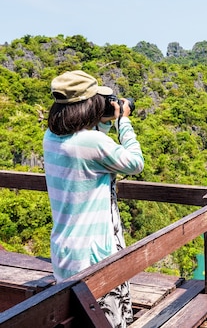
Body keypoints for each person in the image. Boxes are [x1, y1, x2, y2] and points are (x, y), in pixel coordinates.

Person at [43, 70, 144, 327]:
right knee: (106, 321)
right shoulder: (93, 142)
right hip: (94, 256)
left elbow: (89, 146)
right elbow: (135, 163)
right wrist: (123, 121)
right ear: (89, 105)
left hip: (65, 253)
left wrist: (103, 121)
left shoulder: (51, 137)